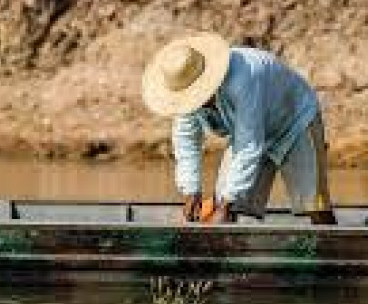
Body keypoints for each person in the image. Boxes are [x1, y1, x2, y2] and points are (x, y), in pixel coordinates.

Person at [142, 32, 336, 225]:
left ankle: (334, 249)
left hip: (295, 118)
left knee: (315, 204)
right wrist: (191, 190)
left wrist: (228, 203)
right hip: (253, 130)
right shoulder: (184, 94)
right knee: (222, 204)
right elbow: (186, 144)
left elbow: (249, 144)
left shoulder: (243, 79)